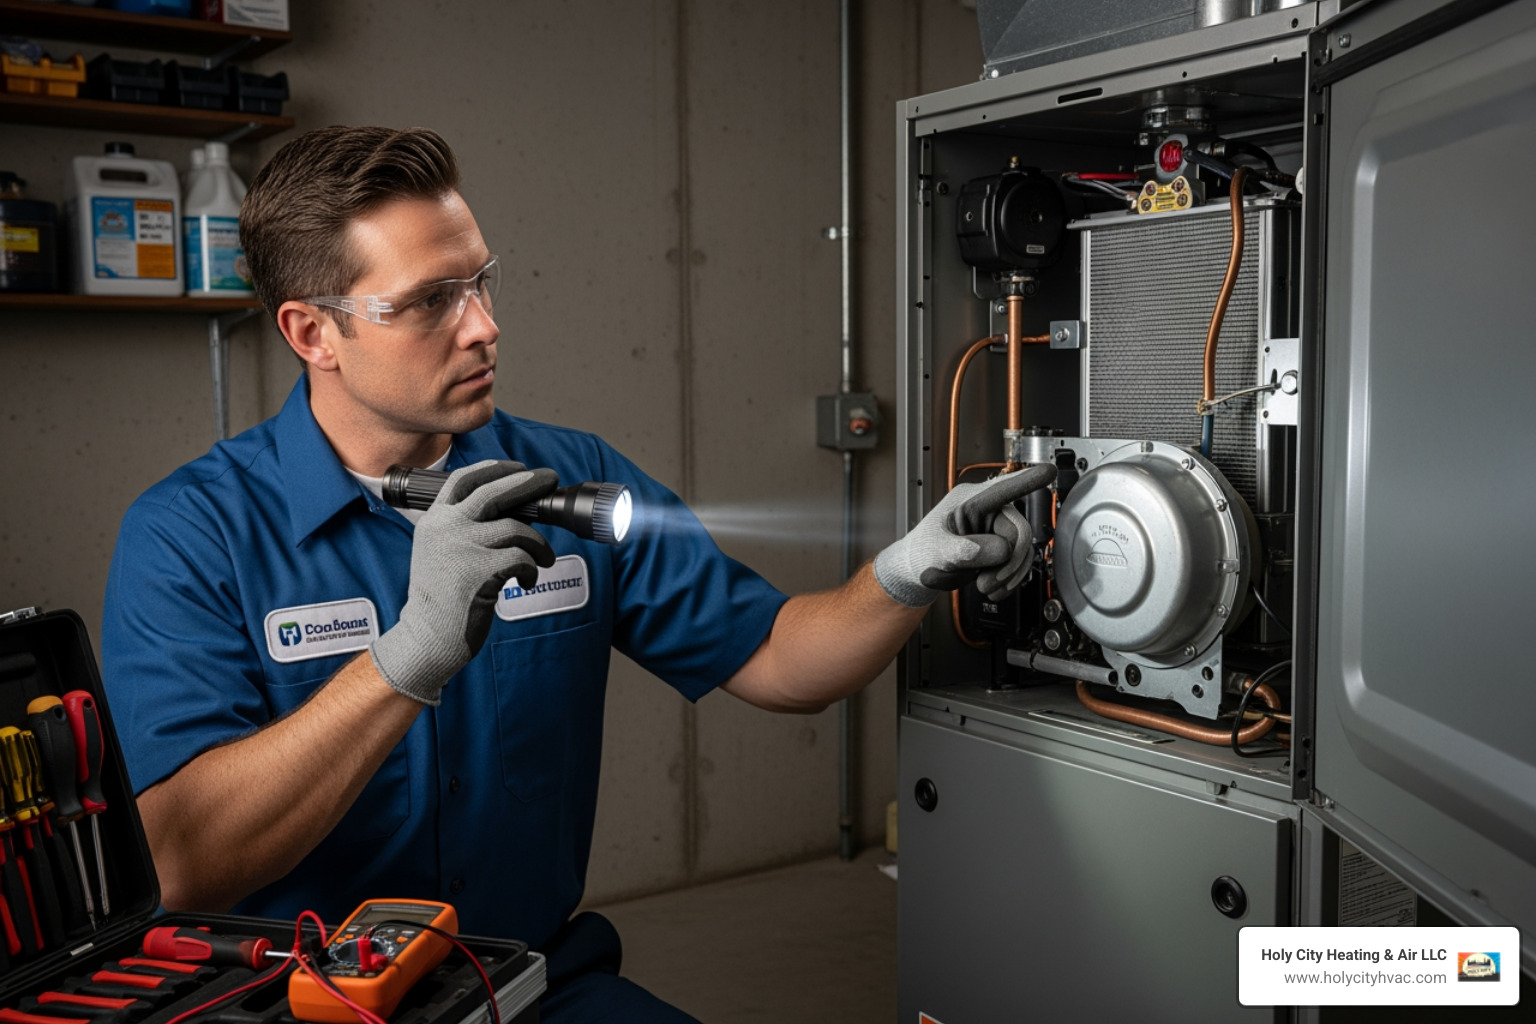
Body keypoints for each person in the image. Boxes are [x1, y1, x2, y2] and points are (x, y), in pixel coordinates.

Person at [100, 126, 1050, 1022]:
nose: (484, 327)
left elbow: (777, 659)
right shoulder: (193, 535)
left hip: (527, 984)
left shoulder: (568, 480)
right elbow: (182, 864)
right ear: (313, 333)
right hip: (298, 1005)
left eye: (481, 282)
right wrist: (406, 661)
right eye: (431, 300)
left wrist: (902, 573)